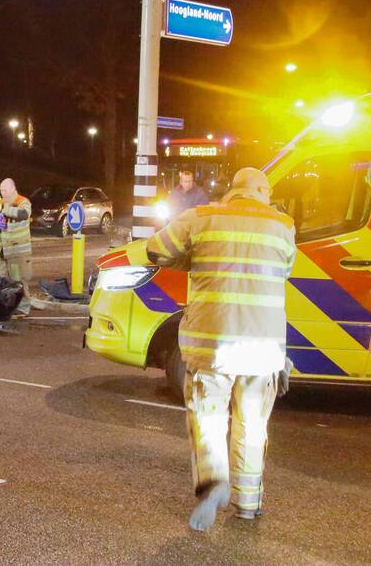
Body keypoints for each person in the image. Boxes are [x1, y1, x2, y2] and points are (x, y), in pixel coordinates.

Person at [146, 167, 295, 531]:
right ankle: (248, 504)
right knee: (253, 426)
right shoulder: (283, 226)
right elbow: (283, 272)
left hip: (212, 345)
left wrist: (195, 260)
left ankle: (214, 484)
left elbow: (156, 250)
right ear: (263, 192)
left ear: (233, 190)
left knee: (209, 419)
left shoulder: (202, 216)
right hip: (264, 350)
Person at [0, 178, 33, 317]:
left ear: (12, 188)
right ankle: (5, 307)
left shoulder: (22, 201)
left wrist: (5, 209)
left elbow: (24, 214)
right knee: (2, 280)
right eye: (1, 190)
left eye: (4, 190)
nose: (2, 192)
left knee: (20, 280)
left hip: (18, 250)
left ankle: (23, 308)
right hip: (2, 250)